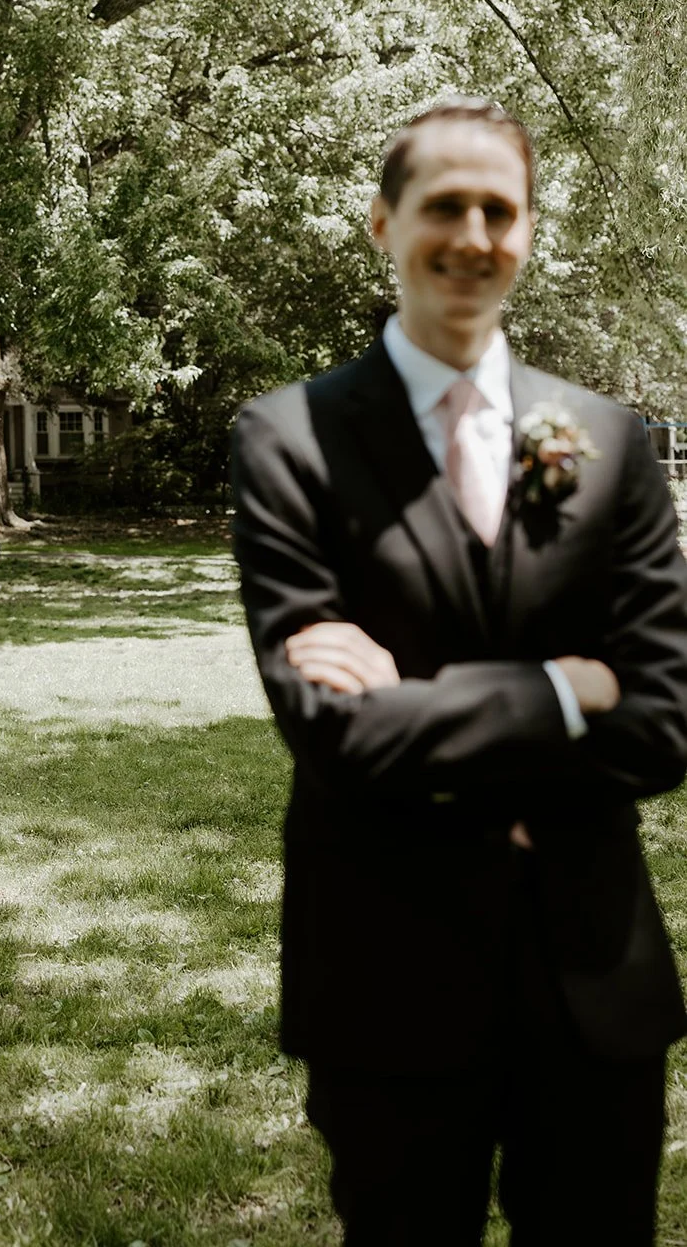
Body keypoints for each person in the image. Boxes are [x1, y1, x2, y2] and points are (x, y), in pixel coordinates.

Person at [231, 99, 687, 1246]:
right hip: (387, 976)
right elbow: (333, 736)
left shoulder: (609, 443)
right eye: (444, 206)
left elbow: (667, 718)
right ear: (383, 223)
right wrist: (562, 692)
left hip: (593, 978)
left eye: (500, 210)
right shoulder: (289, 442)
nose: (472, 236)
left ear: (528, 230)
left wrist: (412, 706)